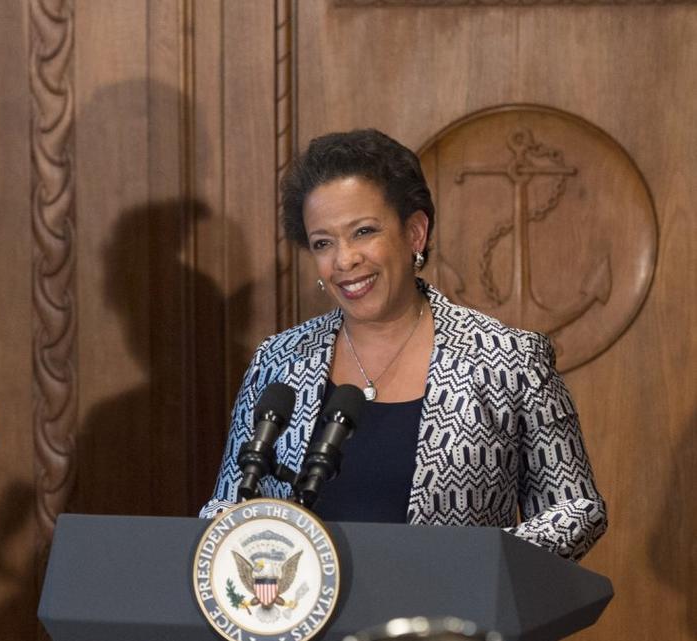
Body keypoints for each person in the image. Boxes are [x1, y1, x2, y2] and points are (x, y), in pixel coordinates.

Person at [200, 129, 606, 561]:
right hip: (305, 621)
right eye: (323, 243)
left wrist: (473, 563)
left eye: (363, 232)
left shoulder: (507, 358)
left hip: (451, 619)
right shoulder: (278, 361)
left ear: (414, 233)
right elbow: (228, 505)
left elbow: (576, 510)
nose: (344, 260)